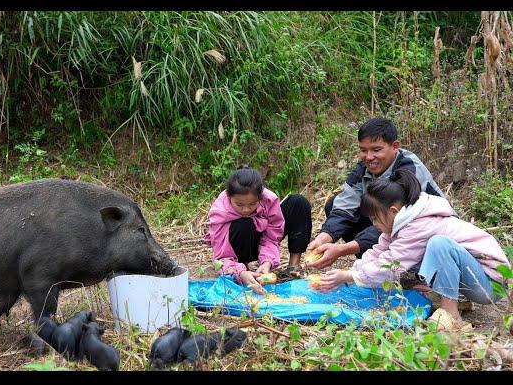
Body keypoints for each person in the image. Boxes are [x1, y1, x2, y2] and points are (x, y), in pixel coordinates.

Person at [318, 169, 511, 332]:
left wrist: (347, 276)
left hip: (490, 284)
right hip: (473, 275)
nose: (374, 224)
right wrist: (352, 272)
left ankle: (452, 316)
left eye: (375, 219)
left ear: (393, 211)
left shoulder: (419, 225)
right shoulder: (399, 223)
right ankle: (453, 298)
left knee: (439, 244)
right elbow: (379, 252)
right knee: (430, 249)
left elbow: (389, 265)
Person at [306, 117, 445, 269]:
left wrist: (342, 250)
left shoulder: (409, 170)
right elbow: (345, 206)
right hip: (389, 225)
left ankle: (411, 269)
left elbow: (394, 220)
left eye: (376, 150)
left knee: (389, 219)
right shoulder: (363, 169)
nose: (369, 157)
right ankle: (372, 262)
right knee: (333, 204)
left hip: (423, 232)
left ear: (395, 146)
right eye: (363, 150)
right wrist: (325, 237)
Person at [205, 165, 312, 294]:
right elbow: (221, 256)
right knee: (244, 223)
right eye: (239, 204)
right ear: (229, 196)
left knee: (298, 203)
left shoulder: (268, 200)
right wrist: (240, 272)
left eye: (252, 204)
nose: (246, 209)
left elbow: (272, 235)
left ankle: (293, 268)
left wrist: (268, 261)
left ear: (260, 197)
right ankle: (244, 270)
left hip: (260, 236)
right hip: (238, 242)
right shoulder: (220, 212)